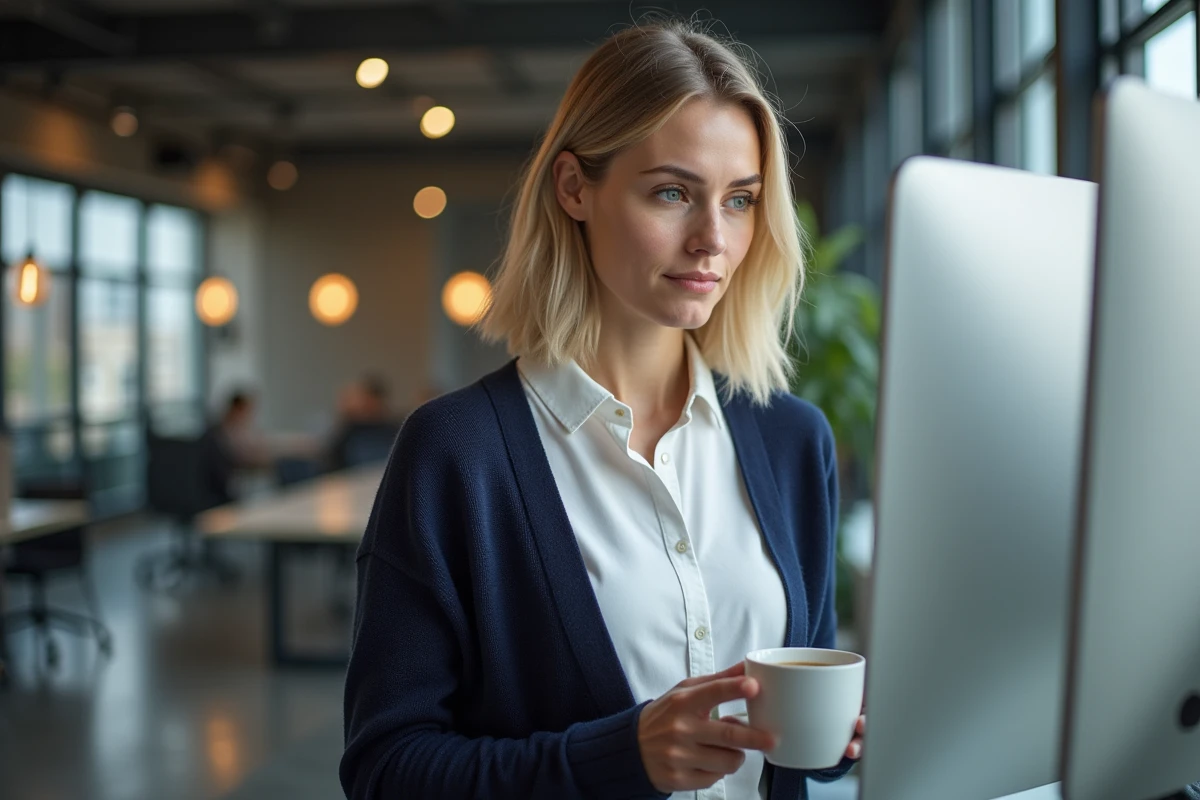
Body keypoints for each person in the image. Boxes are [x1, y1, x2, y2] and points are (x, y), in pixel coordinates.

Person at [340, 20, 864, 800]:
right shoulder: (457, 453)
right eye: (673, 193)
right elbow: (387, 771)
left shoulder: (792, 439)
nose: (713, 240)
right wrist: (620, 758)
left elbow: (798, 732)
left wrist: (835, 738)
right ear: (574, 188)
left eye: (742, 200)